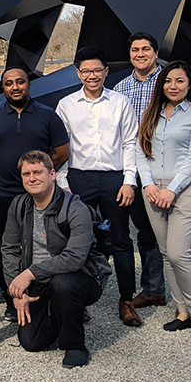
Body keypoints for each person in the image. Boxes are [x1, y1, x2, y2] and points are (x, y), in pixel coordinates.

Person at [55, 46, 143, 327]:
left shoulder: (120, 102)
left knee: (121, 240)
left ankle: (126, 300)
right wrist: (63, 182)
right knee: (77, 240)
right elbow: (62, 147)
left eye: (97, 70)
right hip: (78, 179)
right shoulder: (66, 104)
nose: (92, 76)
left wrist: (130, 181)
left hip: (114, 179)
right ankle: (78, 301)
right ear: (77, 73)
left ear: (106, 71)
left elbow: (131, 143)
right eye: (86, 71)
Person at [0, 67, 69, 321]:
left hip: (37, 197)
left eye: (20, 82)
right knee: (8, 247)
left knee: (41, 244)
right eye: (9, 83)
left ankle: (43, 295)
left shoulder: (47, 116)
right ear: (2, 87)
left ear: (29, 84)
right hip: (0, 194)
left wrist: (39, 180)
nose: (15, 87)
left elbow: (61, 152)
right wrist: (1, 168)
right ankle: (11, 297)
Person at [3, 151, 113, 368]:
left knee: (62, 284)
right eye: (26, 174)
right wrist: (17, 291)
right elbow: (9, 250)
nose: (32, 178)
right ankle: (61, 313)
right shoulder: (19, 205)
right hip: (40, 280)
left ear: (52, 174)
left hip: (81, 277)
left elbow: (74, 259)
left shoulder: (75, 208)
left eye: (37, 172)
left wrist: (29, 273)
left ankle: (74, 345)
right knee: (31, 342)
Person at [136, 61, 191, 337]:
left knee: (180, 252)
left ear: (189, 84)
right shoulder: (151, 114)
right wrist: (147, 186)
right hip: (153, 191)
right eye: (168, 81)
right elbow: (140, 151)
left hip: (185, 190)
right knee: (167, 254)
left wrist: (173, 189)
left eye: (180, 81)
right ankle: (181, 311)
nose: (173, 86)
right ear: (161, 84)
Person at [113, 31, 167, 310]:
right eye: (135, 50)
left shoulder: (168, 82)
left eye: (146, 49)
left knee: (163, 234)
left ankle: (167, 291)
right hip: (131, 169)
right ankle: (149, 289)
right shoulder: (121, 88)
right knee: (137, 232)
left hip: (161, 168)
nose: (140, 54)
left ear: (155, 53)